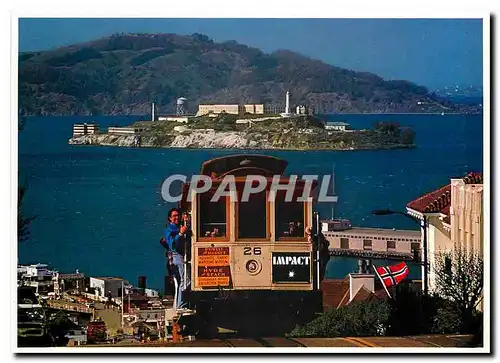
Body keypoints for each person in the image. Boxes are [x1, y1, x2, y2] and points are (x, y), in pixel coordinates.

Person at [164, 208, 191, 311]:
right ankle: (181, 305)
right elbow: (172, 245)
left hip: (185, 255)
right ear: (170, 218)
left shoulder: (181, 226)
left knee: (185, 280)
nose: (176, 217)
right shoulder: (169, 230)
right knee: (185, 281)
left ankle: (183, 304)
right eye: (174, 216)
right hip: (177, 256)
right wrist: (180, 234)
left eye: (177, 215)